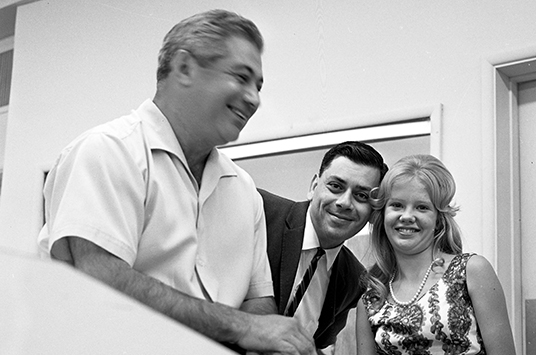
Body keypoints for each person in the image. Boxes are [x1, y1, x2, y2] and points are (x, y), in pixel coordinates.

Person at [37, 9, 316, 355]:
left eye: (258, 86)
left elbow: (257, 298)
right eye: (241, 77)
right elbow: (100, 278)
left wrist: (267, 334)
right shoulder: (107, 152)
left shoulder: (243, 189)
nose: (254, 98)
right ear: (184, 67)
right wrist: (242, 326)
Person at [355, 154, 516, 355]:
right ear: (383, 214)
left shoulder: (471, 271)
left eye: (422, 207)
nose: (406, 216)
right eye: (397, 205)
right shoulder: (371, 298)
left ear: (438, 219)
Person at [259, 141, 388, 352]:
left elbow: (315, 346)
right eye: (336, 186)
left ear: (373, 211)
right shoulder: (261, 211)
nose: (345, 202)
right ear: (313, 187)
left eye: (361, 196)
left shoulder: (354, 279)